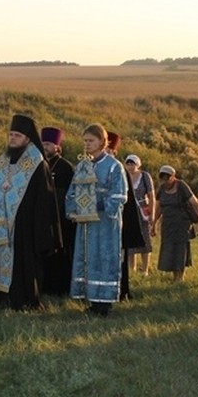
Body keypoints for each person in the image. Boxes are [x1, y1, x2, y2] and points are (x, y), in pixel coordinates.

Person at [0, 114, 62, 310]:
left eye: (17, 135)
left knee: (25, 264)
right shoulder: (2, 161)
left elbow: (44, 200)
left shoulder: (37, 164)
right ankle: (3, 296)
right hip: (2, 223)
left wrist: (39, 228)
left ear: (28, 138)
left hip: (26, 226)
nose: (12, 138)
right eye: (11, 134)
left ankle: (25, 300)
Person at [65, 123, 127, 316]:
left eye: (91, 140)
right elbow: (72, 192)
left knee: (104, 258)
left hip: (106, 223)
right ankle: (91, 299)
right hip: (86, 223)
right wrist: (75, 208)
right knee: (87, 257)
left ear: (102, 141)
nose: (87, 144)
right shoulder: (83, 165)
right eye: (85, 141)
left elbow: (120, 195)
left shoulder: (114, 166)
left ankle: (104, 303)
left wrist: (98, 205)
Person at [107, 132, 145, 301]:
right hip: (103, 221)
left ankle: (121, 291)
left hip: (118, 220)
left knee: (120, 259)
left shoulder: (117, 169)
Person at [151, 165, 198, 282]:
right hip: (167, 224)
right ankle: (174, 277)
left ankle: (180, 277)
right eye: (163, 178)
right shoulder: (162, 188)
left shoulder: (182, 186)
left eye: (168, 177)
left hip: (182, 223)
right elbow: (159, 207)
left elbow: (195, 203)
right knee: (169, 248)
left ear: (173, 176)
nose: (166, 180)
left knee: (180, 249)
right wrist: (154, 223)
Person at [40, 126, 76, 296]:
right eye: (43, 143)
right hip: (43, 217)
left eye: (48, 143)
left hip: (61, 218)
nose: (45, 146)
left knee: (60, 253)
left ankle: (60, 288)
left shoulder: (65, 167)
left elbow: (68, 195)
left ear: (57, 146)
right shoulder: (40, 164)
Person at [125, 155, 155, 276]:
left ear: (138, 164)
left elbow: (151, 195)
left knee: (145, 238)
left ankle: (145, 269)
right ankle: (132, 269)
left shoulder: (144, 176)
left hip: (142, 210)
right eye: (128, 164)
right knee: (130, 239)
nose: (130, 167)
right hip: (129, 211)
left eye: (133, 164)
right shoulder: (125, 176)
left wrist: (152, 213)